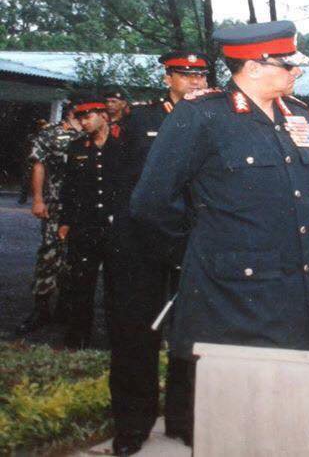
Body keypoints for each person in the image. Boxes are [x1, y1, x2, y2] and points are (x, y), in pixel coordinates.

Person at [130, 21, 309, 445]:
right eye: (288, 64)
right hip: (236, 296)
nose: (296, 72)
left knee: (289, 416)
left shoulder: (294, 113)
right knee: (234, 424)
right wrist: (200, 251)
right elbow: (151, 201)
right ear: (255, 67)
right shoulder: (202, 115)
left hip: (299, 289)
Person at [106, 52, 209, 455]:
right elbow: (119, 182)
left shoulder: (212, 118)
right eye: (186, 75)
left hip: (190, 240)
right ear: (168, 78)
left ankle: (184, 420)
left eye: (200, 75)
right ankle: (132, 425)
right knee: (136, 333)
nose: (195, 82)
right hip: (140, 243)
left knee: (190, 335)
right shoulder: (139, 121)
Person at [58, 93, 120, 349]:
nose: (83, 122)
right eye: (80, 118)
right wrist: (66, 221)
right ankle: (77, 340)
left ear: (103, 116)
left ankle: (117, 342)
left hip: (116, 228)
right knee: (81, 284)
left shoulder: (123, 146)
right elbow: (70, 189)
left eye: (88, 116)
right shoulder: (77, 148)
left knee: (116, 288)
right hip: (85, 226)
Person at [15, 105, 83, 335]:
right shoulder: (51, 133)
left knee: (76, 257)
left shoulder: (91, 131)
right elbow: (38, 164)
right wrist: (37, 199)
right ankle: (41, 309)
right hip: (56, 204)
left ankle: (66, 308)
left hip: (84, 207)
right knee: (49, 254)